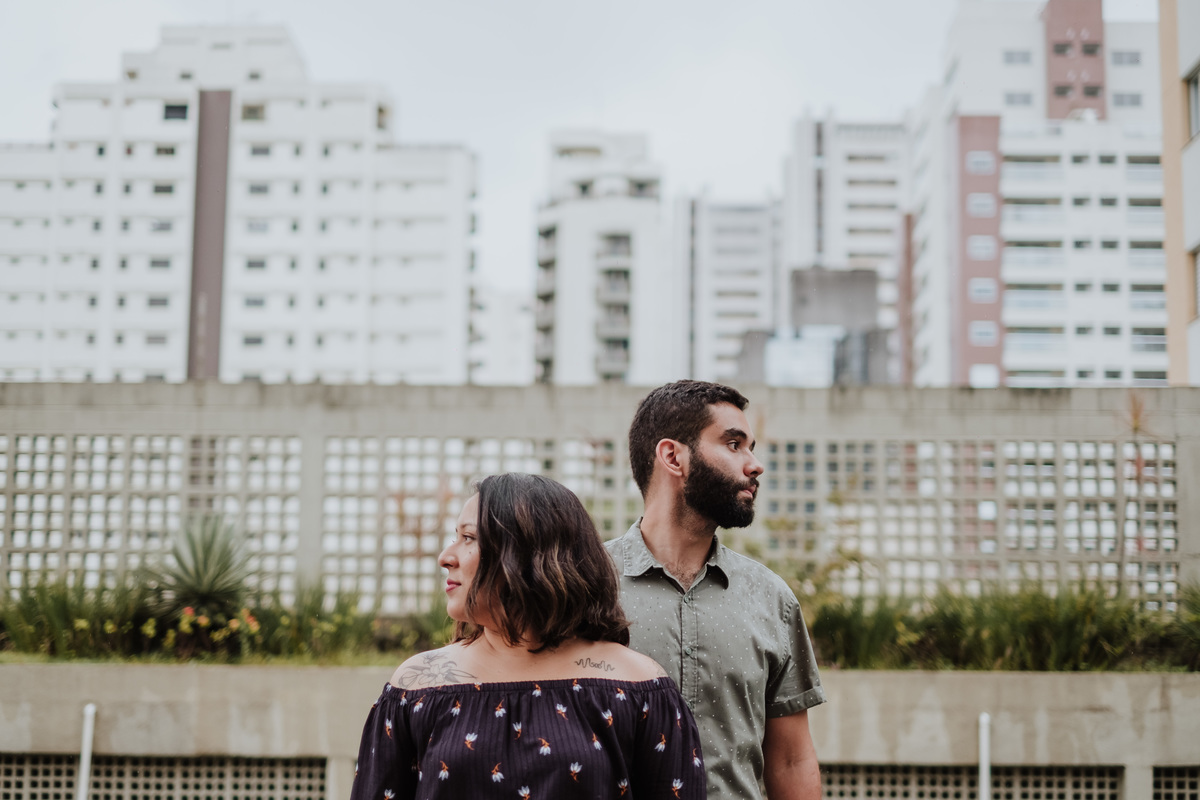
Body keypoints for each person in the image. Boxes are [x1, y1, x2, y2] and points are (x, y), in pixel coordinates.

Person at [351, 472, 706, 800]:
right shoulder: (415, 688)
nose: (446, 557)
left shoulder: (640, 689)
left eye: (469, 538)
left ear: (530, 556)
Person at [605, 381, 826, 800]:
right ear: (673, 456)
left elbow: (791, 760)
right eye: (733, 444)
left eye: (751, 447)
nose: (755, 464)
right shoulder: (583, 585)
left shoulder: (772, 599)